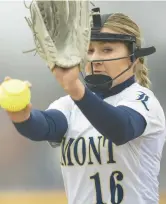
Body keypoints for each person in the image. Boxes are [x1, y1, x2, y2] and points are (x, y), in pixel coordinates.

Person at [5, 10, 166, 204]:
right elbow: (44, 126)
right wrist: (23, 117)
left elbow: (120, 129)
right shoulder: (69, 104)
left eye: (107, 49)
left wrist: (77, 91)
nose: (95, 58)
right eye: (89, 50)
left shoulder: (143, 101)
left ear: (134, 57)